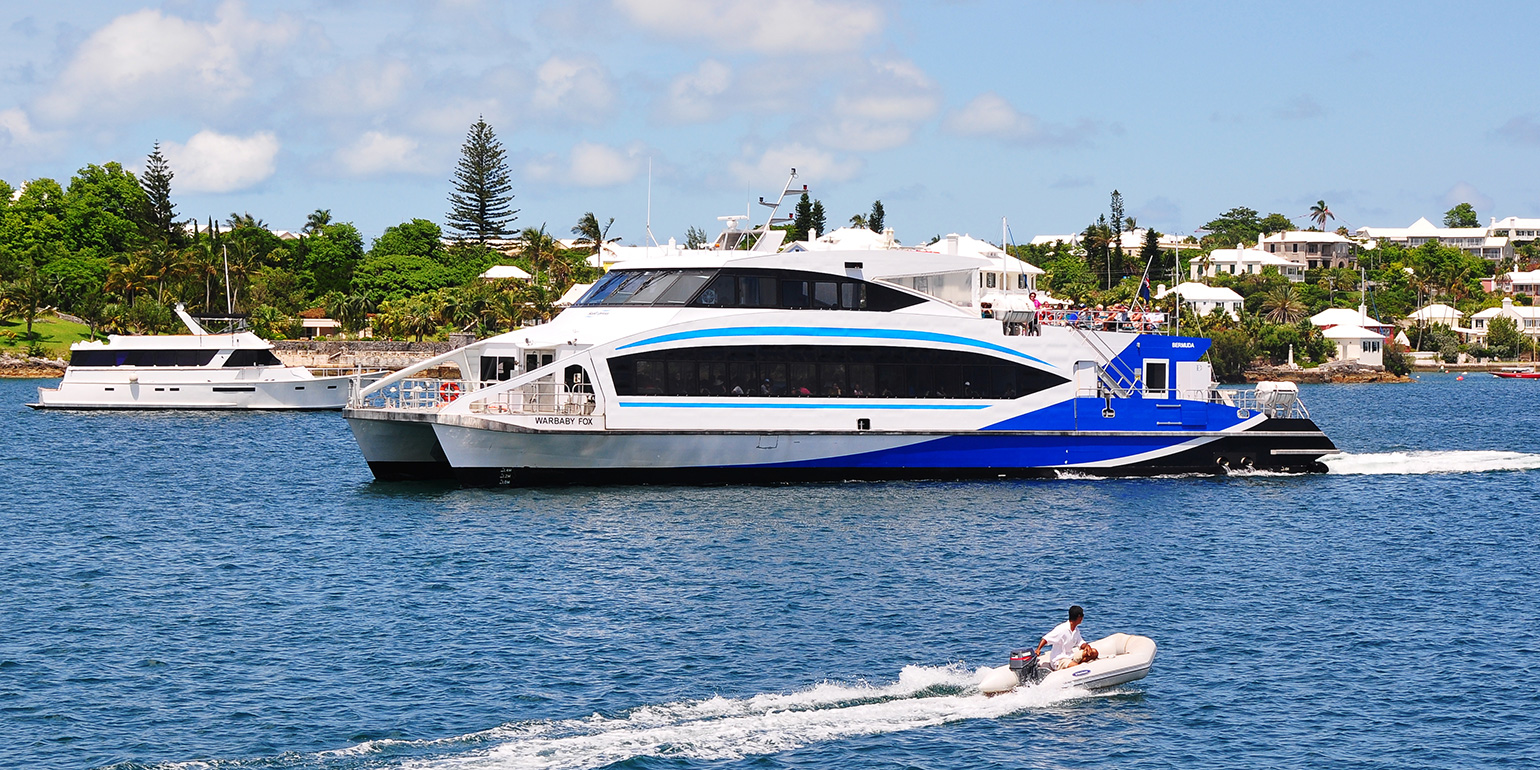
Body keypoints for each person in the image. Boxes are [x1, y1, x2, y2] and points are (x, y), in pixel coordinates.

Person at [1033, 605, 1098, 670]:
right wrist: (1038, 649)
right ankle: (1076, 668)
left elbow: (1080, 643)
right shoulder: (1062, 629)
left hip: (1070, 656)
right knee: (1077, 667)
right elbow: (1046, 639)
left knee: (1094, 652)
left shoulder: (1076, 630)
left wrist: (1087, 646)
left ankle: (1076, 666)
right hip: (1059, 660)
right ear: (1079, 617)